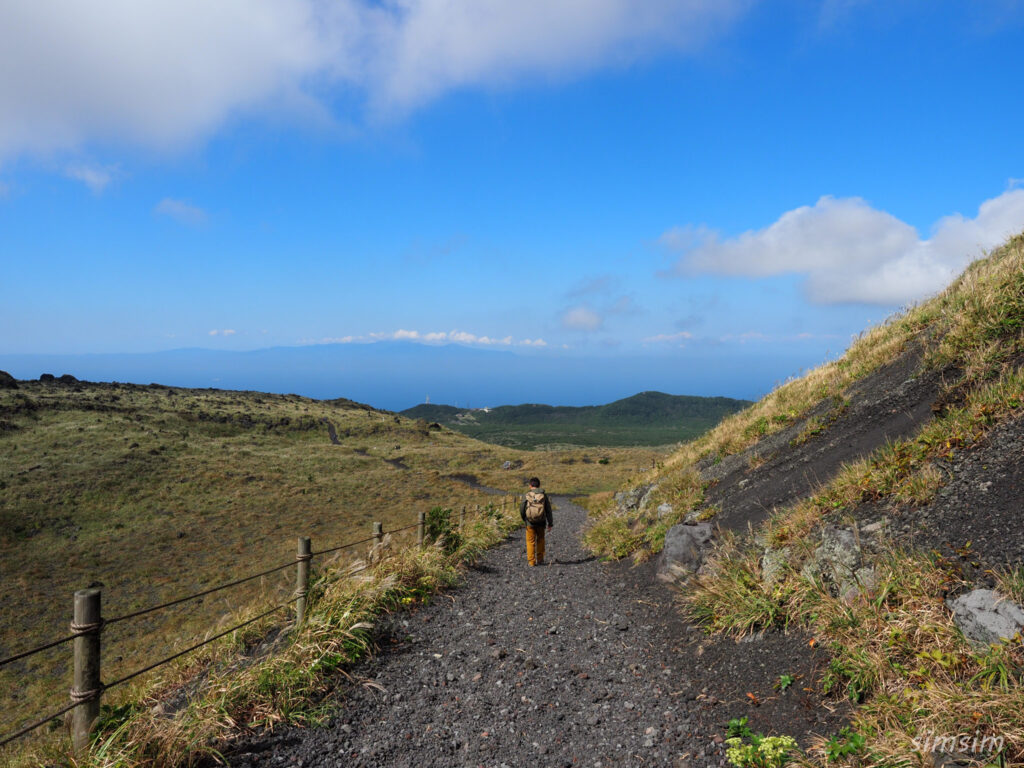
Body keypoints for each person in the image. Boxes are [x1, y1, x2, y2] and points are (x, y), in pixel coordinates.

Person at [520, 477, 553, 566]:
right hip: (541, 522)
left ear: (530, 485)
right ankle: (540, 559)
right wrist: (550, 523)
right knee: (540, 540)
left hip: (529, 522)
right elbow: (548, 510)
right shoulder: (543, 495)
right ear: (539, 485)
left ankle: (531, 562)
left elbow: (522, 508)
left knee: (530, 541)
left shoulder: (527, 495)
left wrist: (524, 519)